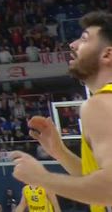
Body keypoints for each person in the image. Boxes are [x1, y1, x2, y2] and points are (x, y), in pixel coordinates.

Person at [11, 11, 112, 211]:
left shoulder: (100, 104)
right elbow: (97, 183)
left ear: (107, 55)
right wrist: (61, 153)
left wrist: (41, 178)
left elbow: (109, 189)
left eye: (84, 39)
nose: (72, 45)